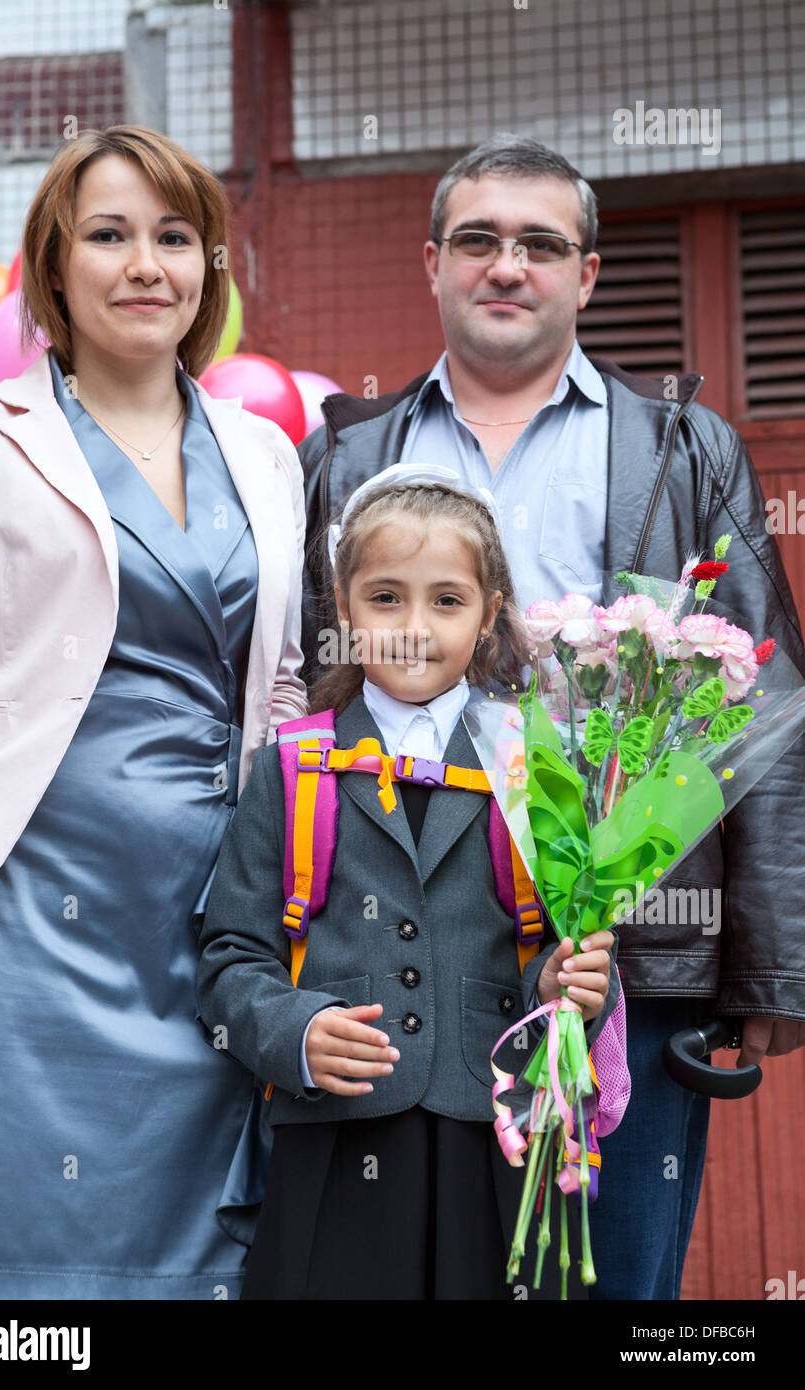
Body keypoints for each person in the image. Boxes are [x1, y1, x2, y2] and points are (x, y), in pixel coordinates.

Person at [297, 134, 805, 1299]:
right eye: (476, 239)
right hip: (407, 945)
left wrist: (768, 969)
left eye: (539, 242)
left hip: (622, 947)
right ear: (431, 263)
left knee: (617, 1287)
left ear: (584, 273)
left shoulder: (683, 445)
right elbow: (310, 689)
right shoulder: (346, 453)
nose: (504, 264)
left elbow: (761, 703)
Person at [0, 124, 307, 1299]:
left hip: (213, 912)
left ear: (207, 267)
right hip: (18, 913)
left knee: (192, 1250)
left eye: (173, 236)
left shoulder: (264, 452)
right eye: (108, 235)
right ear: (54, 266)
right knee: (18, 1252)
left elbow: (285, 681)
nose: (145, 263)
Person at [196, 474, 618, 1300]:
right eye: (385, 598)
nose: (413, 629)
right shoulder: (293, 763)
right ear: (345, 611)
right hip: (334, 1136)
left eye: (447, 601)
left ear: (490, 611)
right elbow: (229, 956)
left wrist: (567, 985)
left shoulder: (537, 766)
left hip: (501, 1139)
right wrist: (294, 1030)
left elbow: (560, 952)